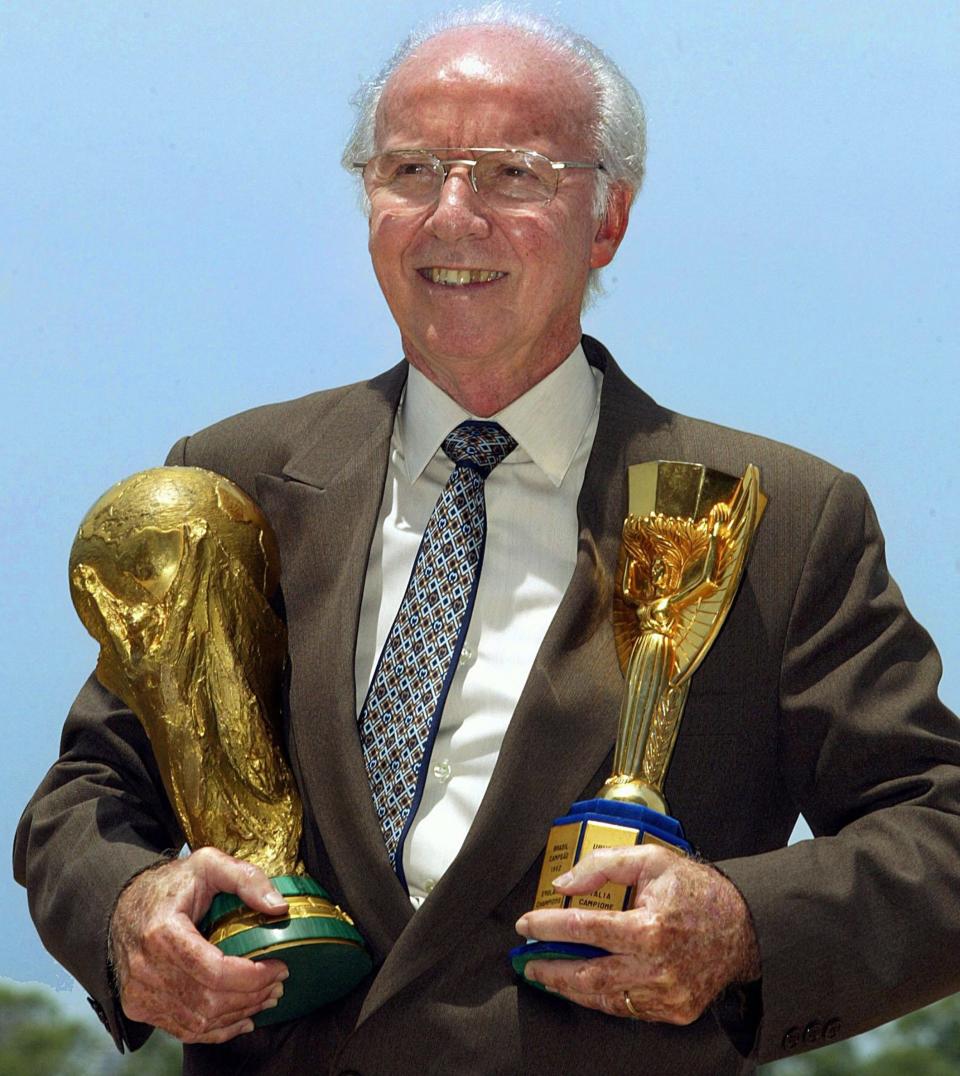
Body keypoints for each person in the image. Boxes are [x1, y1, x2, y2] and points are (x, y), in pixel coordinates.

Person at [14, 9, 960, 1075]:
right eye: (411, 167)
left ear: (608, 220)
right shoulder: (232, 483)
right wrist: (128, 910)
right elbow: (86, 797)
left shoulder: (781, 515)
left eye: (512, 173)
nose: (451, 216)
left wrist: (741, 922)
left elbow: (941, 832)